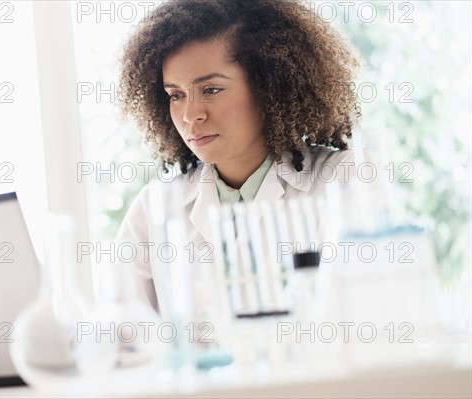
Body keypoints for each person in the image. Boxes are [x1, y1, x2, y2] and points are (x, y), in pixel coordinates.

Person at [116, 0, 362, 312]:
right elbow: (124, 342)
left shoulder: (343, 181)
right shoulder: (153, 210)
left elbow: (364, 327)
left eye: (211, 90)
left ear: (269, 85)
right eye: (176, 95)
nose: (191, 115)